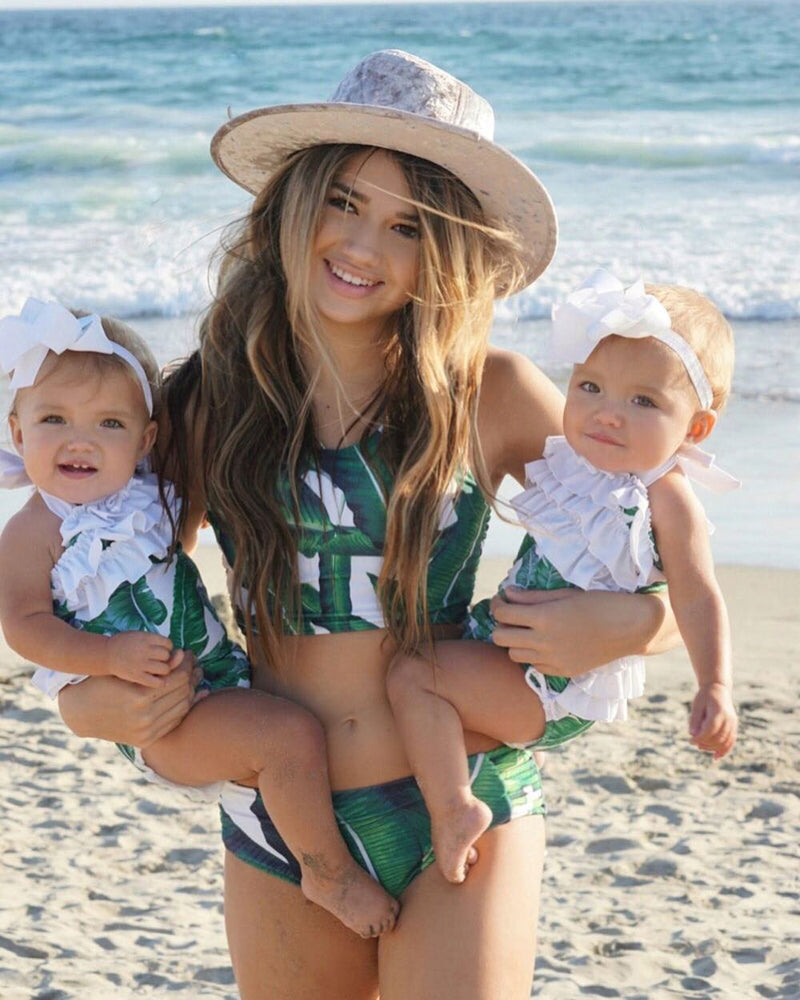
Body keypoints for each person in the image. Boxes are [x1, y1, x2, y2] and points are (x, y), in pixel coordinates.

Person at [53, 50, 679, 1000]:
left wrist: (639, 624)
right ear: (294, 202)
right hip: (284, 822)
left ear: (450, 252)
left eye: (408, 226)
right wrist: (84, 704)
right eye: (344, 202)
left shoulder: (493, 393)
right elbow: (114, 584)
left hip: (463, 799)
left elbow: (655, 550)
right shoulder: (208, 403)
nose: (363, 245)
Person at [0, 299, 399, 939]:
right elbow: (23, 627)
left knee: (291, 740)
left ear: (145, 439)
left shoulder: (148, 495)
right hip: (158, 713)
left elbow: (184, 529)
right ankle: (327, 872)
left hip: (215, 676)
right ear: (17, 432)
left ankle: (300, 841)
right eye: (53, 419)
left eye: (108, 423)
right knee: (286, 738)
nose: (80, 440)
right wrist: (105, 660)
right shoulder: (33, 532)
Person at [387, 269, 740, 884]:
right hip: (505, 647)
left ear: (696, 428)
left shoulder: (667, 498)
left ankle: (454, 811)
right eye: (591, 387)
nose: (607, 415)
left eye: (643, 402)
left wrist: (715, 684)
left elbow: (696, 591)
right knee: (421, 685)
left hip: (551, 682)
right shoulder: (575, 463)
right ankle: (445, 798)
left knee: (415, 676)